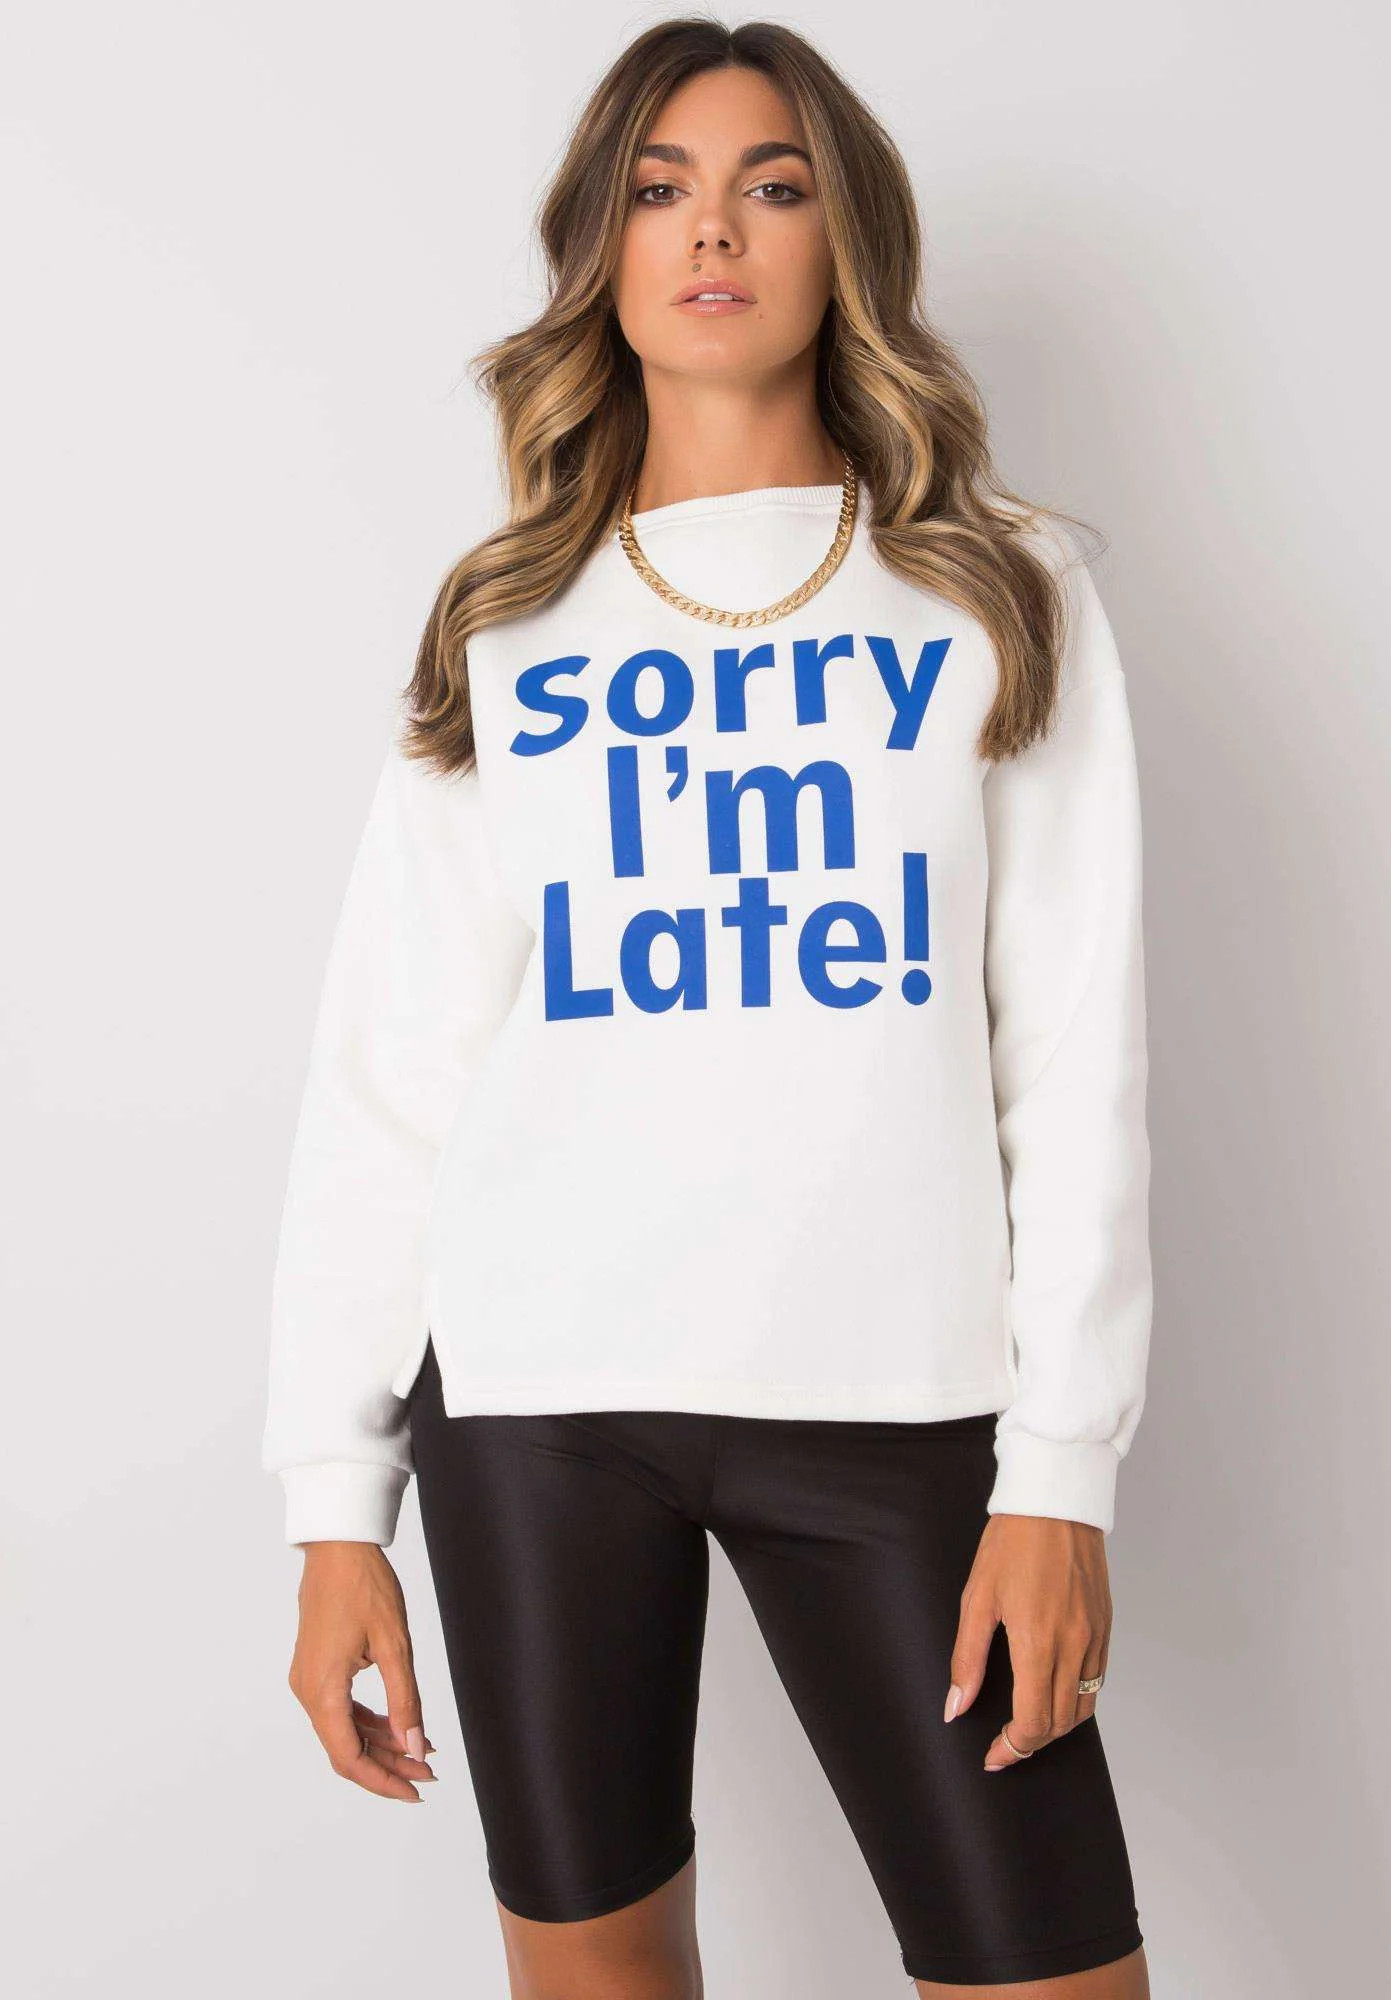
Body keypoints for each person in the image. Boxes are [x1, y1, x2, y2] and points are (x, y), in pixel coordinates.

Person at [261, 18, 1153, 1997]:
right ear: (603, 247)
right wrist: (336, 1506)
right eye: (659, 190)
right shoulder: (507, 618)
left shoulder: (997, 591)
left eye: (773, 185)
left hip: (898, 1402)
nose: (713, 230)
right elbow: (395, 1071)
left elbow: (1072, 1049)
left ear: (849, 242)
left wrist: (1060, 1470)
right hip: (538, 1407)